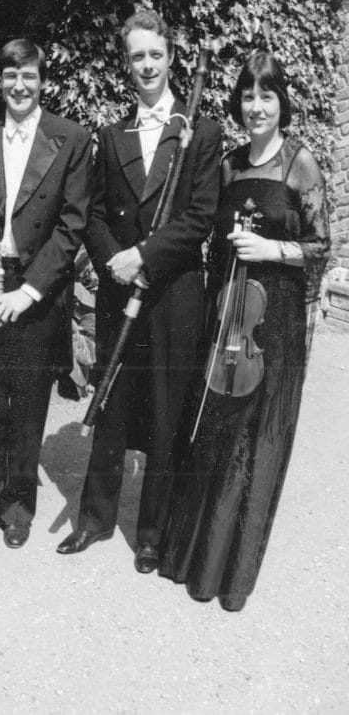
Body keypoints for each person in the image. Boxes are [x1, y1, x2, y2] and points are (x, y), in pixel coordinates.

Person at [158, 52, 328, 611]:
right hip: (225, 311)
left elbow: (321, 246)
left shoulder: (299, 164)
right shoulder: (229, 165)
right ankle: (190, 560)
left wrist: (273, 249)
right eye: (248, 97)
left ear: (282, 104)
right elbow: (205, 236)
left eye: (267, 97)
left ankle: (228, 574)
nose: (256, 107)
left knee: (253, 443)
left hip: (271, 324)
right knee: (212, 433)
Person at [58, 10, 222, 571]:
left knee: (166, 407)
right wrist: (114, 262)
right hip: (119, 288)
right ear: (126, 64)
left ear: (170, 57)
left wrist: (145, 257)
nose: (147, 65)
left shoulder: (201, 130)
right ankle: (95, 520)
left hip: (174, 290)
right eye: (136, 56)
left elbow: (199, 217)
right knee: (112, 401)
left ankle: (151, 531)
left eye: (155, 54)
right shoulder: (112, 134)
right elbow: (96, 213)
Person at [0, 39, 91, 549]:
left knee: (28, 402)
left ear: (41, 80)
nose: (19, 86)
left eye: (29, 76)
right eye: (11, 75)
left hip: (37, 290)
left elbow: (71, 226)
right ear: (0, 80)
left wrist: (29, 291)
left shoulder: (71, 138)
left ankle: (17, 505)